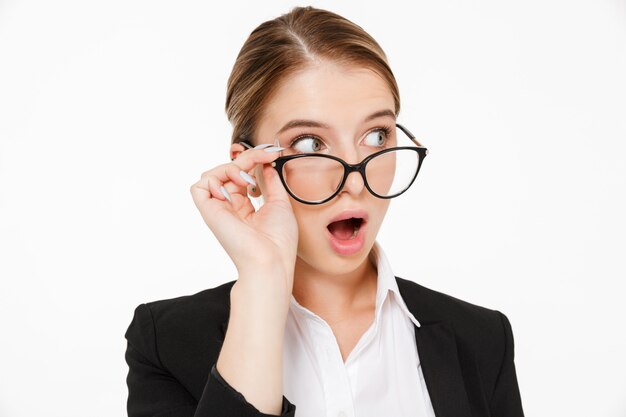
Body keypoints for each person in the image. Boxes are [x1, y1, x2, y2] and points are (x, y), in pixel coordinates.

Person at [124, 6, 525, 417]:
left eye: (375, 135)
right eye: (311, 144)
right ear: (252, 168)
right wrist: (262, 280)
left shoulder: (481, 340)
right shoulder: (165, 342)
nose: (355, 179)